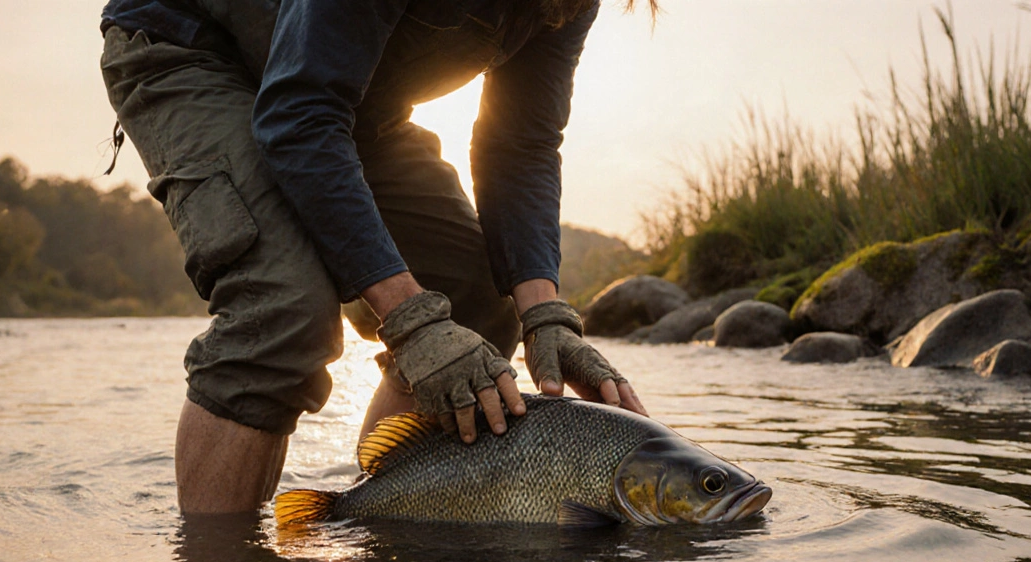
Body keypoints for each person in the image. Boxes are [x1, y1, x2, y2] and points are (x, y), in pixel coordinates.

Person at [99, 0, 651, 514]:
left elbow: (522, 143)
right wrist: (410, 319)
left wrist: (545, 316)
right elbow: (300, 114)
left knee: (477, 295)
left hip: (352, 101)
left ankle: (372, 528)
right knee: (286, 308)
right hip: (196, 49)